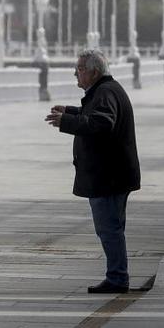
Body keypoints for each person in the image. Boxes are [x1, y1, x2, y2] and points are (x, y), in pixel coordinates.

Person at [44, 49, 141, 294]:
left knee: (109, 229)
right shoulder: (105, 90)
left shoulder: (105, 92)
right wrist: (70, 112)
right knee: (111, 228)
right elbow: (94, 115)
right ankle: (117, 276)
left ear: (94, 72)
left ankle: (117, 278)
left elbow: (102, 123)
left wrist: (66, 122)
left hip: (109, 177)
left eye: (80, 69)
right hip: (112, 175)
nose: (75, 73)